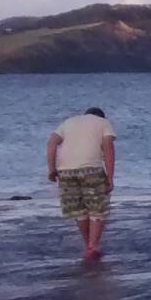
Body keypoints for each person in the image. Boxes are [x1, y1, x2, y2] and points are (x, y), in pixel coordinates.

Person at [48, 107, 116, 260]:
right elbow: (108, 149)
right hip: (91, 169)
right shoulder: (104, 123)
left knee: (79, 211)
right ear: (101, 117)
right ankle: (93, 246)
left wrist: (52, 169)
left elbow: (52, 143)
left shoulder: (68, 122)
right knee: (97, 209)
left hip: (65, 170)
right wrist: (110, 178)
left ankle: (89, 246)